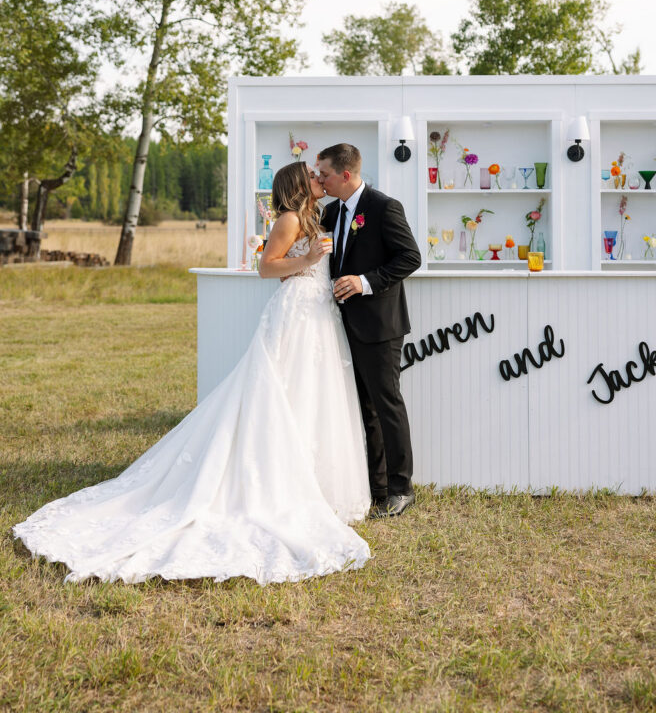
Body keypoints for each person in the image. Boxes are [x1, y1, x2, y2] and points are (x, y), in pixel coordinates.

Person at [14, 163, 371, 585]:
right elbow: (266, 267)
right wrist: (309, 259)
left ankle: (315, 486)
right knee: (279, 395)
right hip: (294, 316)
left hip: (317, 316)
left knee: (311, 397)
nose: (319, 178)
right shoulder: (290, 219)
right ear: (298, 185)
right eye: (312, 174)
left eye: (321, 173)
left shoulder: (314, 216)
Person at [317, 144, 422, 518]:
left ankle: (401, 488)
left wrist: (364, 282)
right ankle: (377, 487)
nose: (320, 180)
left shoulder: (383, 207)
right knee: (363, 408)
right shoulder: (332, 211)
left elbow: (410, 257)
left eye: (324, 174)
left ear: (346, 175)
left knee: (386, 404)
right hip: (342, 326)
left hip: (380, 324)